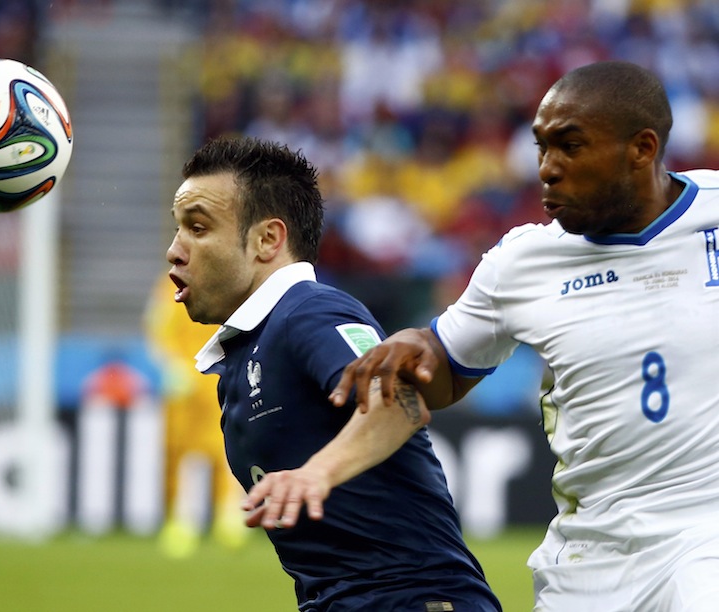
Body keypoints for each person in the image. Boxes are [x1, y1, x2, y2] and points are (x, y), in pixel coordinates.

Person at [244, 60, 719, 611]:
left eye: (570, 146)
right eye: (542, 147)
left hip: (702, 538)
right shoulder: (523, 262)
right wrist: (416, 349)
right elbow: (442, 371)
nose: (547, 168)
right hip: (589, 561)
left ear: (642, 149)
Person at [166, 136, 501, 611]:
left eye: (198, 228)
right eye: (178, 229)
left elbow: (398, 403)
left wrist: (316, 474)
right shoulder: (246, 352)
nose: (174, 251)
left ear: (268, 240)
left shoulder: (310, 312)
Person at [143, 278, 248, 558]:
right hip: (184, 382)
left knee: (225, 445)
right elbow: (156, 329)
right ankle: (181, 520)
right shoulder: (168, 288)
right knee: (179, 450)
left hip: (217, 378)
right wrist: (170, 365)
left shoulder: (226, 281)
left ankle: (229, 516)